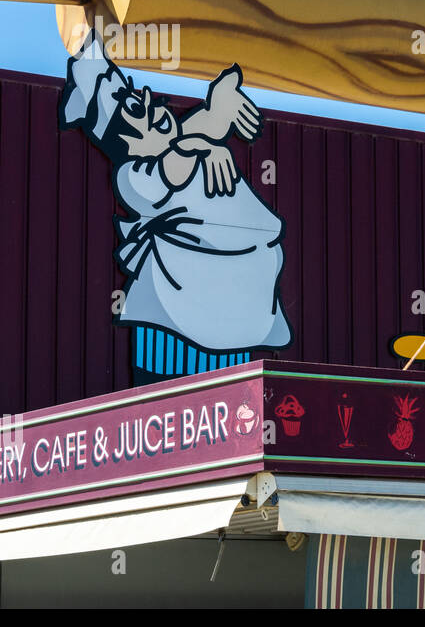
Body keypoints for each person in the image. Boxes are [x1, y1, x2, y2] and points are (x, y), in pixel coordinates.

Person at [59, 31, 291, 384]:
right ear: (125, 142)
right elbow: (173, 166)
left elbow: (205, 123)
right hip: (172, 333)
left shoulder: (174, 141)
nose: (150, 99)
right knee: (171, 420)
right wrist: (203, 144)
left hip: (237, 327)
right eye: (135, 106)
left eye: (141, 93)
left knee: (236, 417)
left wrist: (221, 103)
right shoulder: (133, 176)